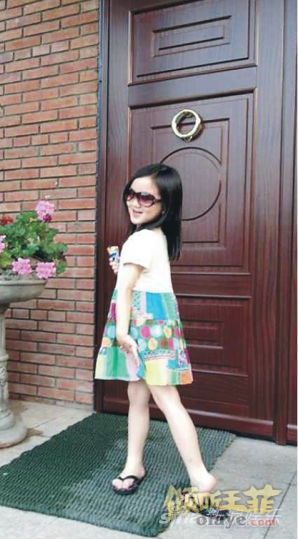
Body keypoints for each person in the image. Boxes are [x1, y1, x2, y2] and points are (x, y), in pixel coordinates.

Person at [94, 163, 229, 519]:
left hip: (142, 327)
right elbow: (136, 282)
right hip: (156, 323)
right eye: (131, 194)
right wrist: (124, 272)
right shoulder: (155, 237)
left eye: (146, 198)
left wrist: (122, 332)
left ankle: (200, 477)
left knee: (166, 399)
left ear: (164, 204)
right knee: (138, 395)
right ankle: (133, 464)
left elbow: (126, 291)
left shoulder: (140, 239)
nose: (134, 202)